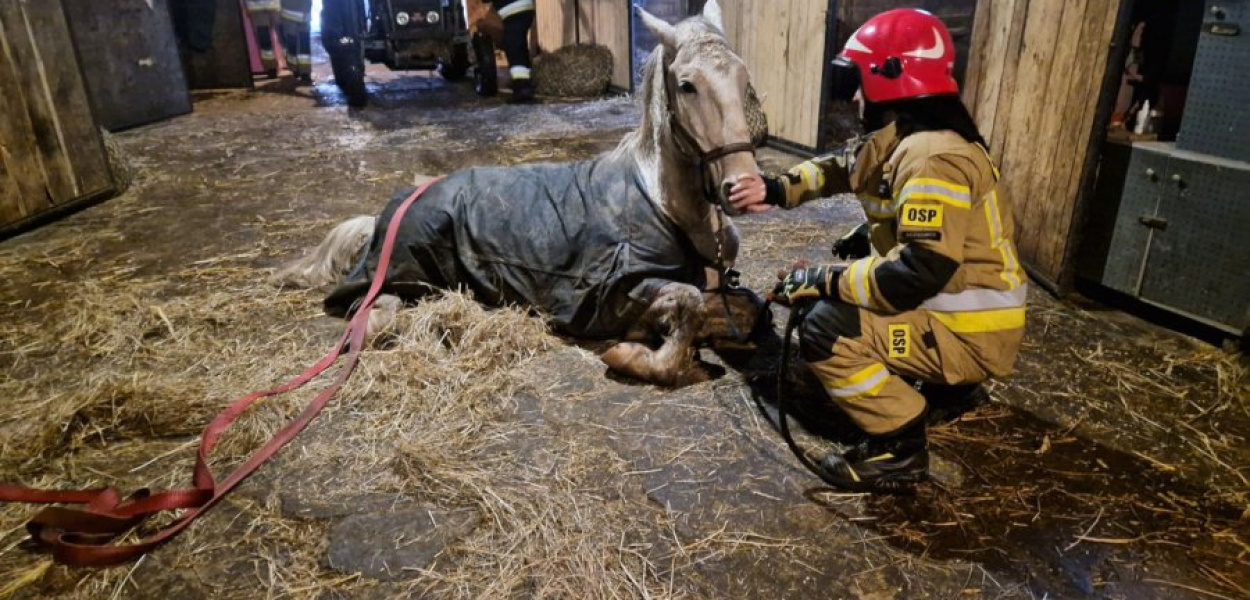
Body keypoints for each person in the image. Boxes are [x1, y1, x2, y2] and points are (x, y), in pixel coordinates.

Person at [728, 9, 1026, 493]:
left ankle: (898, 446)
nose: (852, 94)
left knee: (827, 326)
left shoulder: (932, 158)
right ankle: (950, 386)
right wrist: (774, 189)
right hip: (956, 317)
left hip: (966, 333)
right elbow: (839, 168)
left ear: (888, 77)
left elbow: (917, 272)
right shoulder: (903, 138)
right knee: (849, 285)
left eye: (857, 79)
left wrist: (822, 280)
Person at [246, 0, 313, 83]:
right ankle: (271, 68)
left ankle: (296, 67)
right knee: (264, 41)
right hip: (256, 8)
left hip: (277, 7)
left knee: (286, 39)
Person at [486, 0, 536, 103]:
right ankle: (527, 82)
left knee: (514, 49)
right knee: (520, 46)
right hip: (526, 9)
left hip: (513, 11)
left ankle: (521, 88)